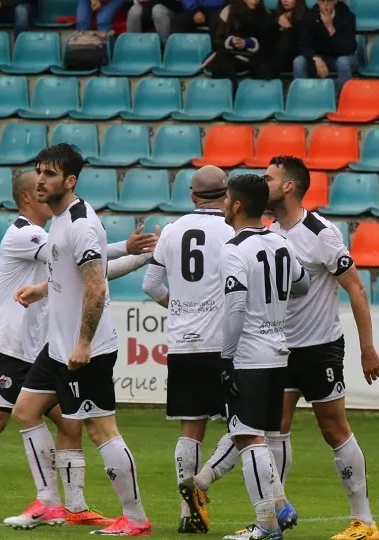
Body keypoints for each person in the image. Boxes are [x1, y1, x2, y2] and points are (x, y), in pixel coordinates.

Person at [0, 171, 157, 527]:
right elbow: (87, 266)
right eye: (38, 189)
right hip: (11, 345)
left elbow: (83, 263)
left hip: (38, 346)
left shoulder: (51, 233)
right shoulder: (24, 234)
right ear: (26, 199)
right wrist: (135, 252)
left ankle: (72, 506)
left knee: (68, 422)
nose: (45, 193)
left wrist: (128, 251)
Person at [10, 144, 153, 537]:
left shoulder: (80, 223)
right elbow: (69, 270)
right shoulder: (58, 220)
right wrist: (42, 289)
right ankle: (50, 503)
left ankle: (136, 518)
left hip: (83, 349)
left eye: (50, 174)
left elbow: (96, 287)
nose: (41, 179)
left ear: (70, 181)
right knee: (25, 411)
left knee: (100, 429)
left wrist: (84, 343)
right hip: (56, 347)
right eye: (39, 171)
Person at [268, 156, 379, 540]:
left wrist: (367, 348)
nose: (262, 183)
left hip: (320, 349)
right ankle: (273, 520)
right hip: (280, 349)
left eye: (269, 178)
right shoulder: (268, 232)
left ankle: (364, 522)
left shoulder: (321, 232)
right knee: (275, 430)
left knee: (334, 429)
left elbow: (355, 287)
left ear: (288, 186)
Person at [140, 166, 237, 534]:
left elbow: (151, 285)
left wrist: (179, 305)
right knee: (249, 424)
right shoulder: (232, 232)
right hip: (222, 342)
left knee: (189, 429)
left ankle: (186, 512)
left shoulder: (172, 230)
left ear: (192, 195)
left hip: (183, 342)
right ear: (227, 195)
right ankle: (206, 480)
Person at [217, 173, 309, 540]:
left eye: (227, 198)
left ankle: (269, 521)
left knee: (245, 437)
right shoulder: (281, 241)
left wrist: (226, 359)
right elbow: (302, 284)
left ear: (237, 205)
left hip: (250, 356)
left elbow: (236, 306)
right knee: (266, 436)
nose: (225, 203)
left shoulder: (233, 248)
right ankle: (277, 510)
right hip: (278, 351)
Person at [204, 0, 275, 84]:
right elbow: (218, 40)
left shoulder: (263, 15)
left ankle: (232, 88)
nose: (256, 0)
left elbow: (264, 43)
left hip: (248, 57)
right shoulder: (228, 11)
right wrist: (231, 42)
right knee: (221, 57)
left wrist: (247, 43)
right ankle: (232, 86)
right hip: (229, 55)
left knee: (221, 62)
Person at [293, 0, 357, 91]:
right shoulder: (309, 17)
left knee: (343, 62)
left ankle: (341, 97)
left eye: (329, 1)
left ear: (335, 1)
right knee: (299, 61)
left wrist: (330, 28)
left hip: (340, 57)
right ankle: (302, 95)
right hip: (318, 57)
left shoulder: (347, 16)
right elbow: (304, 45)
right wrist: (315, 57)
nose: (325, 5)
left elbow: (349, 48)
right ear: (318, 1)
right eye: (322, 1)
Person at [270, 0, 307, 75]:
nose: (284, 0)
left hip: (296, 57)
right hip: (277, 60)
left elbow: (303, 44)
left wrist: (288, 28)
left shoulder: (306, 17)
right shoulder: (273, 16)